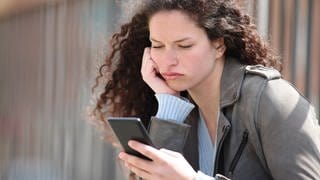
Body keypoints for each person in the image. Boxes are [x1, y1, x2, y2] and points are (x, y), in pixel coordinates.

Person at [90, 0, 320, 179]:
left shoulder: (269, 100)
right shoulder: (181, 108)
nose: (167, 61)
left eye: (184, 46)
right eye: (157, 46)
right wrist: (169, 103)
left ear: (219, 44)